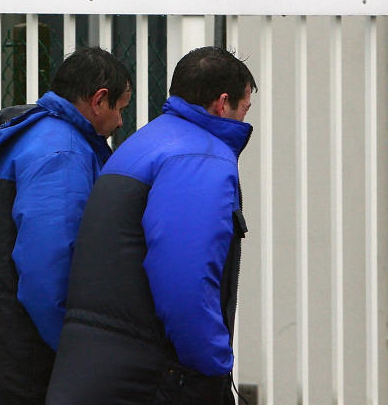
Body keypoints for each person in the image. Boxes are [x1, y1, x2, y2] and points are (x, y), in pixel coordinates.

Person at [45, 46, 256, 405]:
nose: (244, 118)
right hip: (144, 380)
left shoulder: (142, 144)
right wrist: (214, 365)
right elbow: (184, 279)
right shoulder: (200, 156)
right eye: (245, 108)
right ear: (223, 104)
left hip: (92, 371)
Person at [0, 47, 132, 405]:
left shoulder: (27, 134)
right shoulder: (63, 152)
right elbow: (46, 272)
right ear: (99, 100)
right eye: (120, 108)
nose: (120, 122)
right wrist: (74, 355)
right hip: (17, 363)